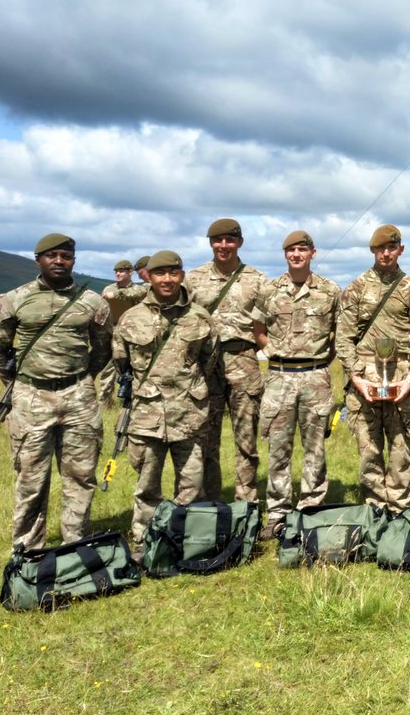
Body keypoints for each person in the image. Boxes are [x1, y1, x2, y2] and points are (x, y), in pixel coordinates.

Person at [0, 233, 113, 551]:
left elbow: (102, 349)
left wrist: (83, 380)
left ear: (73, 260)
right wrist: (20, 386)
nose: (59, 261)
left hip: (79, 398)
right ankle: (28, 549)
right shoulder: (13, 299)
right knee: (31, 477)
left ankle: (77, 541)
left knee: (81, 474)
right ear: (38, 259)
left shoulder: (93, 302)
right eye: (52, 255)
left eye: (66, 256)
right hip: (31, 398)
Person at [112, 250, 218, 552]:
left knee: (192, 484)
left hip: (189, 413)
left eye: (174, 273)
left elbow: (209, 360)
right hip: (147, 416)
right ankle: (147, 543)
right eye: (161, 273)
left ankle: (188, 543)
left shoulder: (200, 317)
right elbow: (122, 362)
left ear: (182, 276)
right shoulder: (131, 319)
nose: (168, 279)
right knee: (147, 486)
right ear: (150, 277)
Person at [250, 230, 340, 539]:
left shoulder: (329, 291)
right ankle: (277, 512)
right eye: (291, 250)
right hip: (279, 377)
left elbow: (338, 334)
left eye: (302, 249)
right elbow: (258, 328)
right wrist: (275, 351)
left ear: (313, 253)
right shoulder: (269, 289)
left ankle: (310, 509)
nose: (296, 254)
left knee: (315, 447)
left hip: (316, 376)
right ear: (285, 255)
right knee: (278, 447)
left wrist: (320, 360)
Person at [335, 225, 410, 512]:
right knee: (369, 449)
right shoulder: (356, 288)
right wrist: (355, 376)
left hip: (401, 382)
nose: (385, 253)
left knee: (400, 450)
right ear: (372, 251)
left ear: (400, 249)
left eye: (391, 248)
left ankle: (399, 507)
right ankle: (374, 507)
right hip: (364, 383)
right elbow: (344, 337)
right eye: (380, 248)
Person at [184, 218, 269, 503]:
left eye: (229, 240)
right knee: (206, 438)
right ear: (210, 243)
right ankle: (210, 503)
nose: (223, 246)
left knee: (246, 438)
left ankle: (246, 504)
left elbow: (273, 319)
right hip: (205, 364)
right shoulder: (193, 279)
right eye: (217, 240)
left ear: (239, 242)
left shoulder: (256, 279)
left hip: (243, 360)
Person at [99, 259, 147, 404]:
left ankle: (130, 399)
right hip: (113, 331)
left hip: (135, 332)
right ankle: (105, 402)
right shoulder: (109, 289)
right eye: (116, 272)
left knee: (133, 366)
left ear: (130, 272)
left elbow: (135, 293)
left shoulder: (139, 289)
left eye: (121, 271)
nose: (118, 274)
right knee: (109, 368)